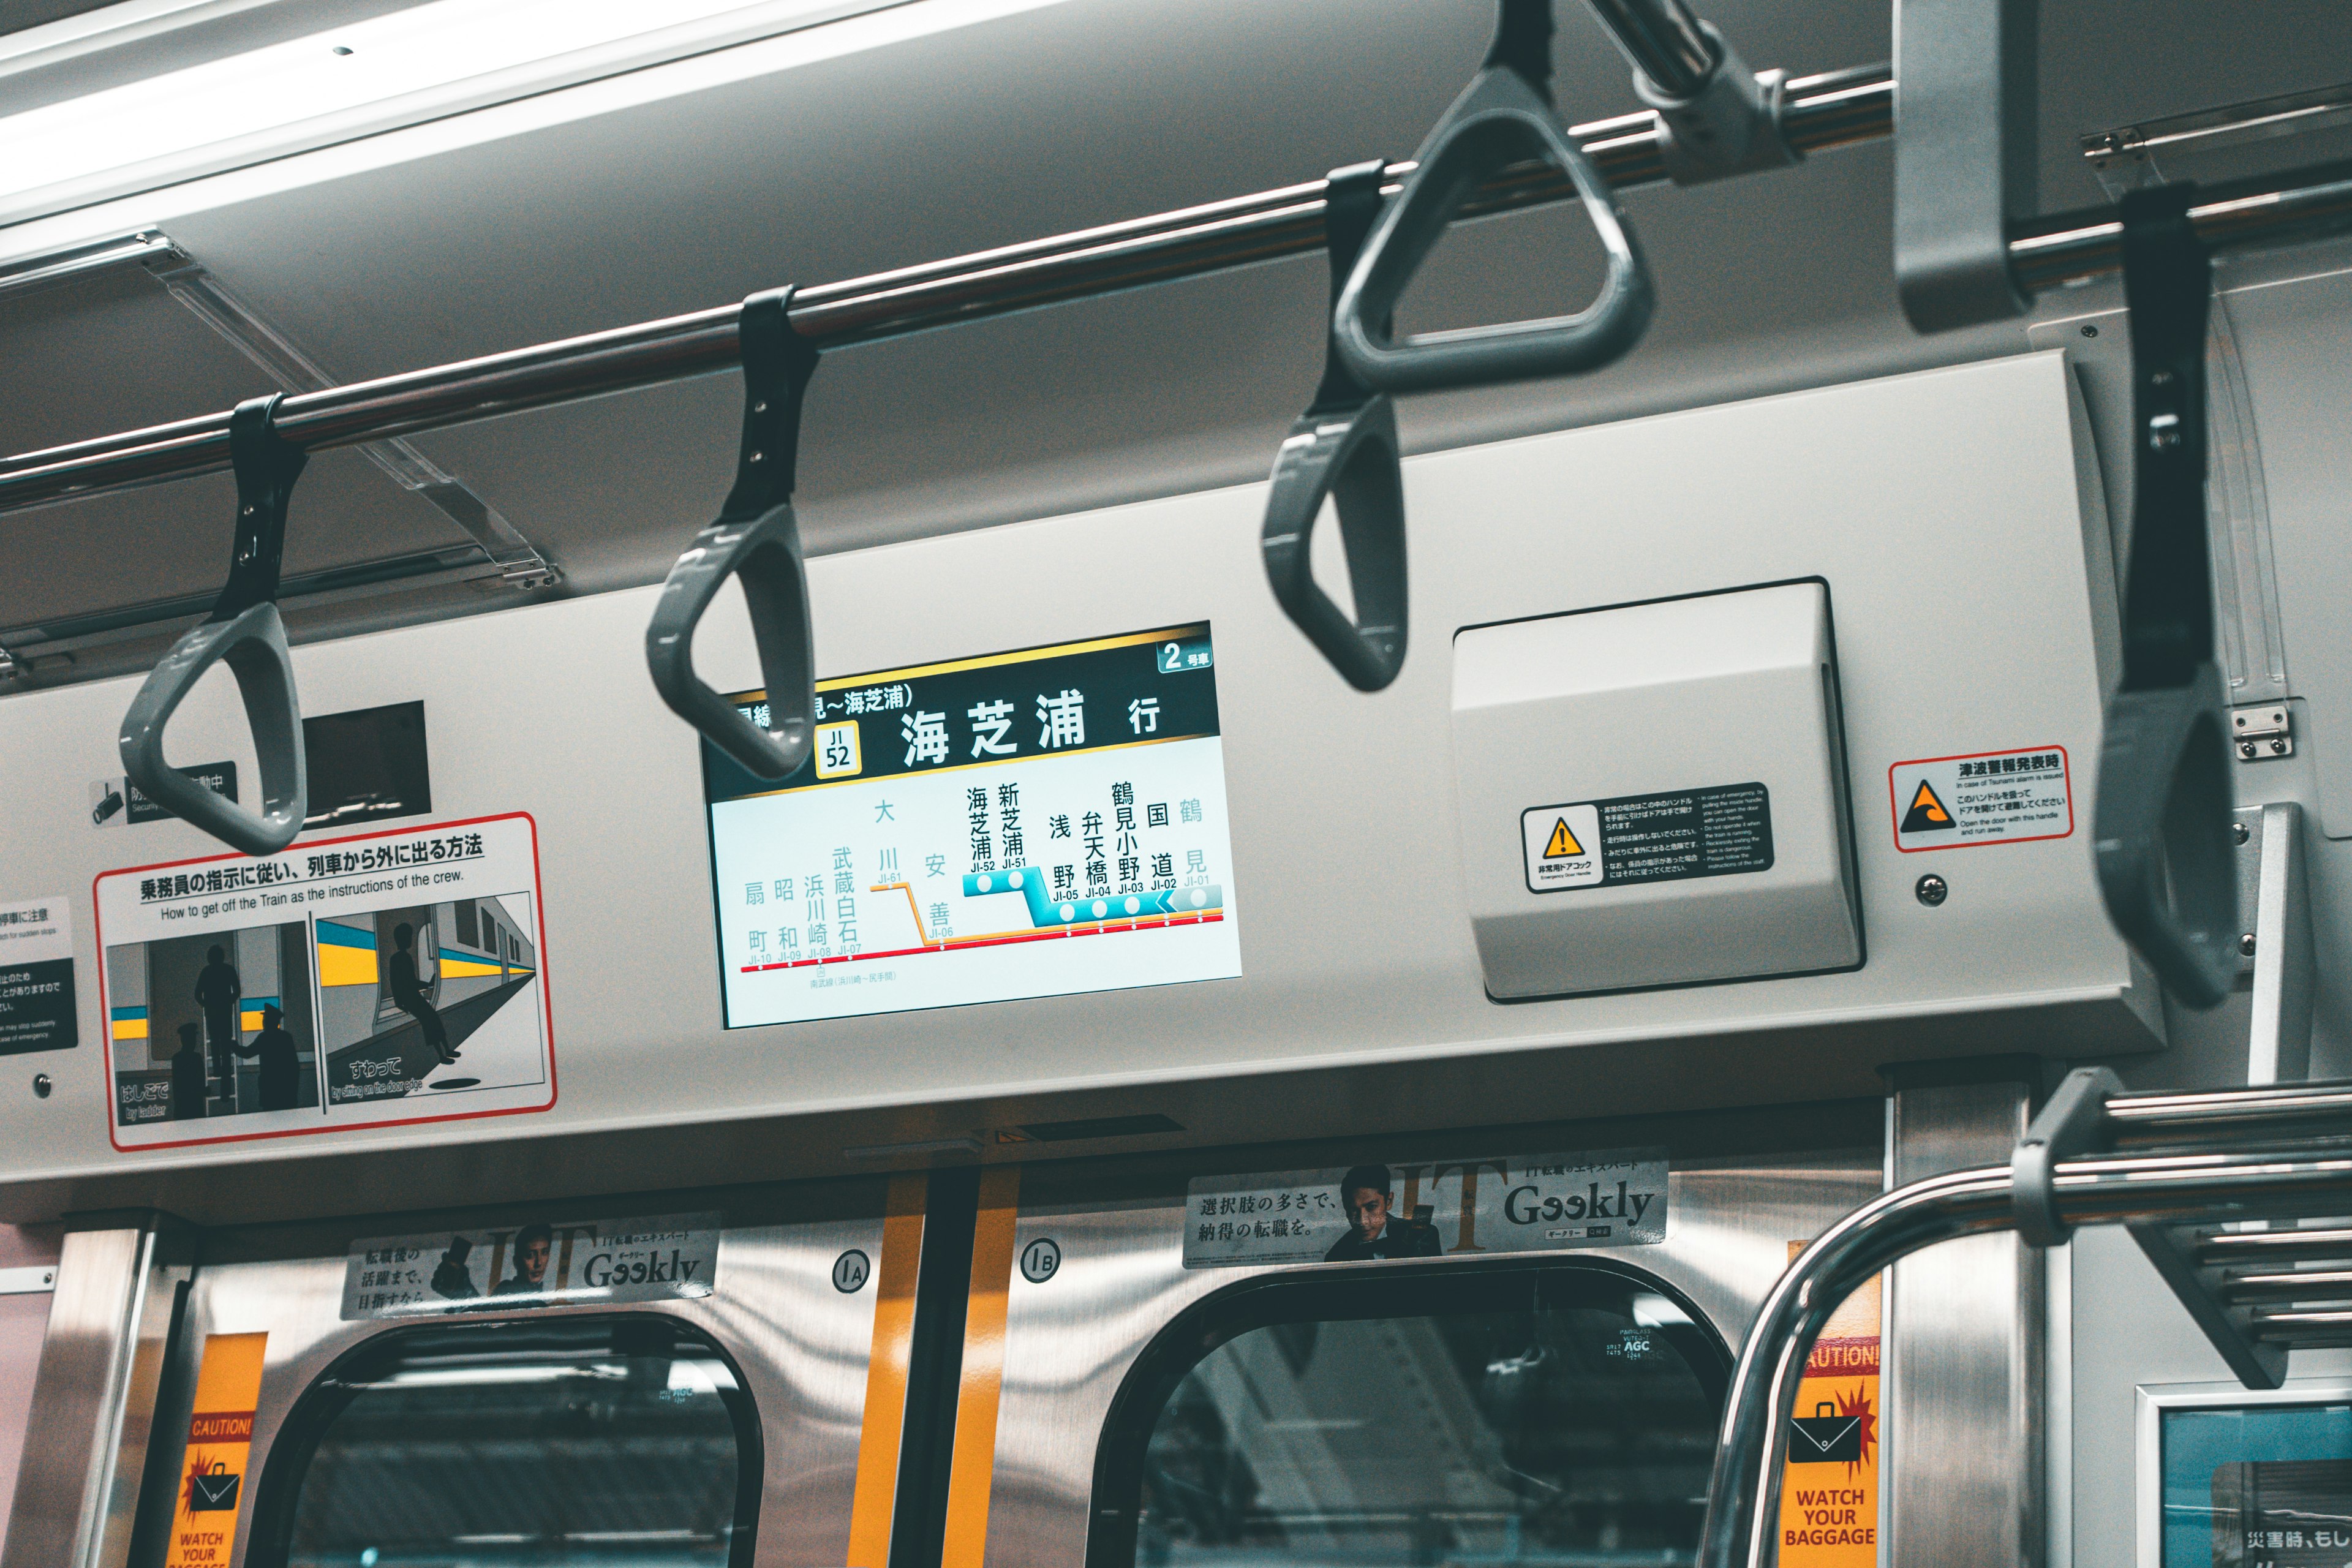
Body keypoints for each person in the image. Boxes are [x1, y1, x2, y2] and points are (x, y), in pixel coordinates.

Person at [1324, 1164, 1442, 1262]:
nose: (1363, 1221)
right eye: (1353, 1210)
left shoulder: (1424, 1237)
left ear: (1389, 1201)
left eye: (1371, 1207)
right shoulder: (1336, 1257)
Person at [387, 922, 456, 1065]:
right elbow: (404, 982)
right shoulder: (400, 958)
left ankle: (447, 1051)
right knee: (430, 1022)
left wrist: (427, 985)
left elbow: (406, 981)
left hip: (412, 997)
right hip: (410, 998)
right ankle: (442, 1055)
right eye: (409, 937)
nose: (411, 939)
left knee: (432, 1020)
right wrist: (399, 1002)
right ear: (403, 939)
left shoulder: (402, 957)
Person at [194, 943, 241, 1102]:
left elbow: (197, 994)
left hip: (213, 1014)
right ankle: (226, 1092)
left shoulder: (207, 972)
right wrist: (229, 1001)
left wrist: (207, 1004)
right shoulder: (228, 970)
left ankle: (217, 1072)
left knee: (215, 1044)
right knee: (226, 1049)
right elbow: (237, 991)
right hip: (224, 1013)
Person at [236, 1004, 301, 1112]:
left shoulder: (264, 1038)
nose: (263, 1022)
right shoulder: (286, 1038)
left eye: (265, 1019)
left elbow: (247, 1053)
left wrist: (234, 1047)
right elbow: (295, 1067)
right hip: (287, 1092)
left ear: (270, 1021)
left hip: (270, 1091)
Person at [491, 1224, 554, 1295]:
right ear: (516, 1262)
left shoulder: (539, 1300)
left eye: (544, 1253)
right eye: (530, 1255)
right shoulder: (506, 1292)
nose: (539, 1263)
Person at [170, 1022, 208, 1121]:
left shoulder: (177, 1058)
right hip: (195, 1107)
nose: (194, 1042)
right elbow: (192, 1084)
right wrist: (204, 1091)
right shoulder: (196, 1058)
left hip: (182, 1108)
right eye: (192, 1039)